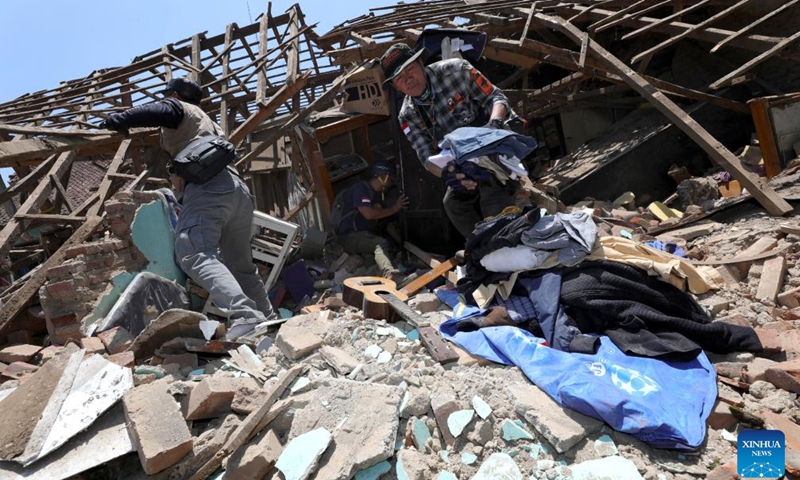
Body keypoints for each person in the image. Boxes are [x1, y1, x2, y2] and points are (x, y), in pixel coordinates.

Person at [101, 77, 276, 340]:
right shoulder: (209, 122)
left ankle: (246, 315)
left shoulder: (181, 110)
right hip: (237, 190)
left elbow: (161, 110)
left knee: (193, 252)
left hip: (209, 189)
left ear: (173, 94)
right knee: (240, 265)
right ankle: (267, 319)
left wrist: (121, 118)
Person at [380, 43, 529, 238]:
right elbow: (426, 157)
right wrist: (451, 174)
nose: (407, 79)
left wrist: (494, 125)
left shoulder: (456, 69)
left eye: (410, 69)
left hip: (495, 140)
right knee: (453, 204)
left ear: (420, 62)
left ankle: (505, 240)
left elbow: (496, 97)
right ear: (394, 86)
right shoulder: (407, 116)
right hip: (464, 159)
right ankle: (481, 245)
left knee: (490, 194)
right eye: (399, 78)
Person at [336, 162, 409, 282]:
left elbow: (387, 223)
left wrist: (402, 243)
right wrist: (395, 208)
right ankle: (391, 274)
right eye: (389, 179)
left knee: (383, 248)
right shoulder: (361, 189)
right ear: (383, 176)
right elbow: (368, 214)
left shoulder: (378, 197)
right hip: (350, 236)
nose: (390, 183)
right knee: (379, 244)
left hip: (365, 237)